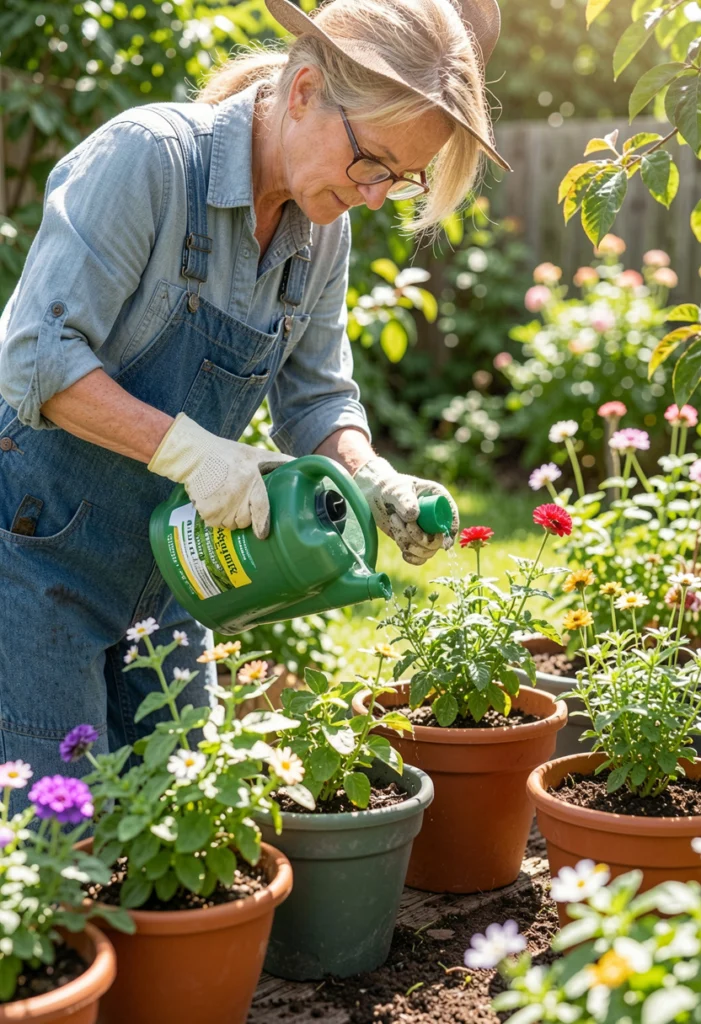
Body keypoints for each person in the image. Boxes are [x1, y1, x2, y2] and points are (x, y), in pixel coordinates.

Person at [0, 0, 509, 787]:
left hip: (171, 575)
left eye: (400, 178)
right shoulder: (151, 161)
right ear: (303, 91)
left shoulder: (321, 228)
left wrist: (372, 477)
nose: (377, 196)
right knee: (56, 844)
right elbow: (36, 357)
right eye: (372, 161)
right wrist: (190, 453)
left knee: (190, 833)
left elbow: (316, 400)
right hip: (33, 557)